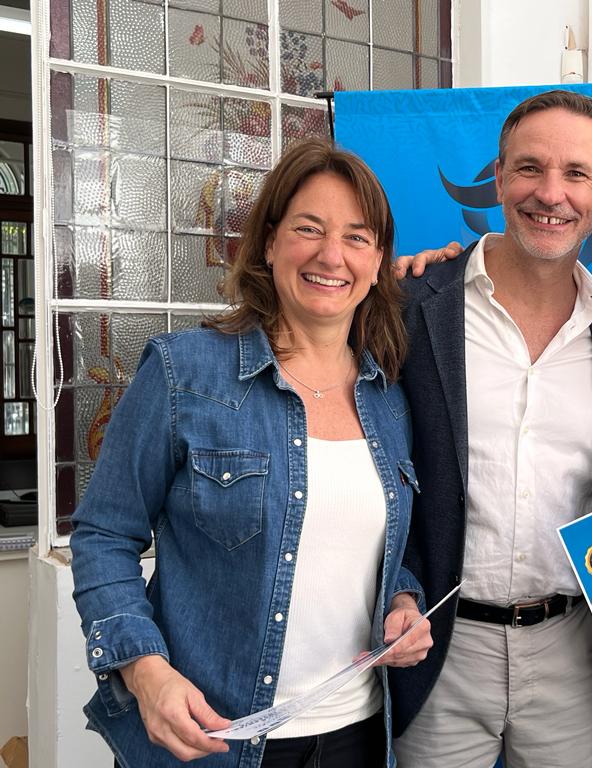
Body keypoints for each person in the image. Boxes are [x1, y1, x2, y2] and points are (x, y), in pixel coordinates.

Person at [69, 137, 431, 768]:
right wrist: (145, 671)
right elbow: (103, 534)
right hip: (212, 740)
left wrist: (403, 604)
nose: (331, 255)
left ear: (377, 263)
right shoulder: (184, 372)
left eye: (356, 237)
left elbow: (370, 554)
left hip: (358, 734)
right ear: (268, 243)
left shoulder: (389, 399)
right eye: (309, 229)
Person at [389, 90, 592, 767]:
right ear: (500, 176)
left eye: (576, 173)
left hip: (572, 645)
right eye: (531, 168)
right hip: (440, 645)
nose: (551, 193)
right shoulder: (411, 304)